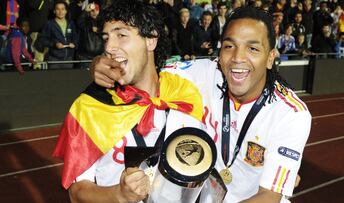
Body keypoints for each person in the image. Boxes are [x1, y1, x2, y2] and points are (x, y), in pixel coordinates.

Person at [91, 6, 312, 202]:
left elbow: (269, 197)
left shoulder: (291, 114)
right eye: (229, 46)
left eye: (253, 48)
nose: (237, 58)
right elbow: (146, 71)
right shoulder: (204, 73)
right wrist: (100, 64)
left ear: (271, 56)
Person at [53, 0, 209, 202]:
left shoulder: (185, 92)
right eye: (106, 38)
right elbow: (77, 192)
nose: (109, 47)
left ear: (151, 39)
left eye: (121, 35)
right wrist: (119, 195)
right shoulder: (90, 107)